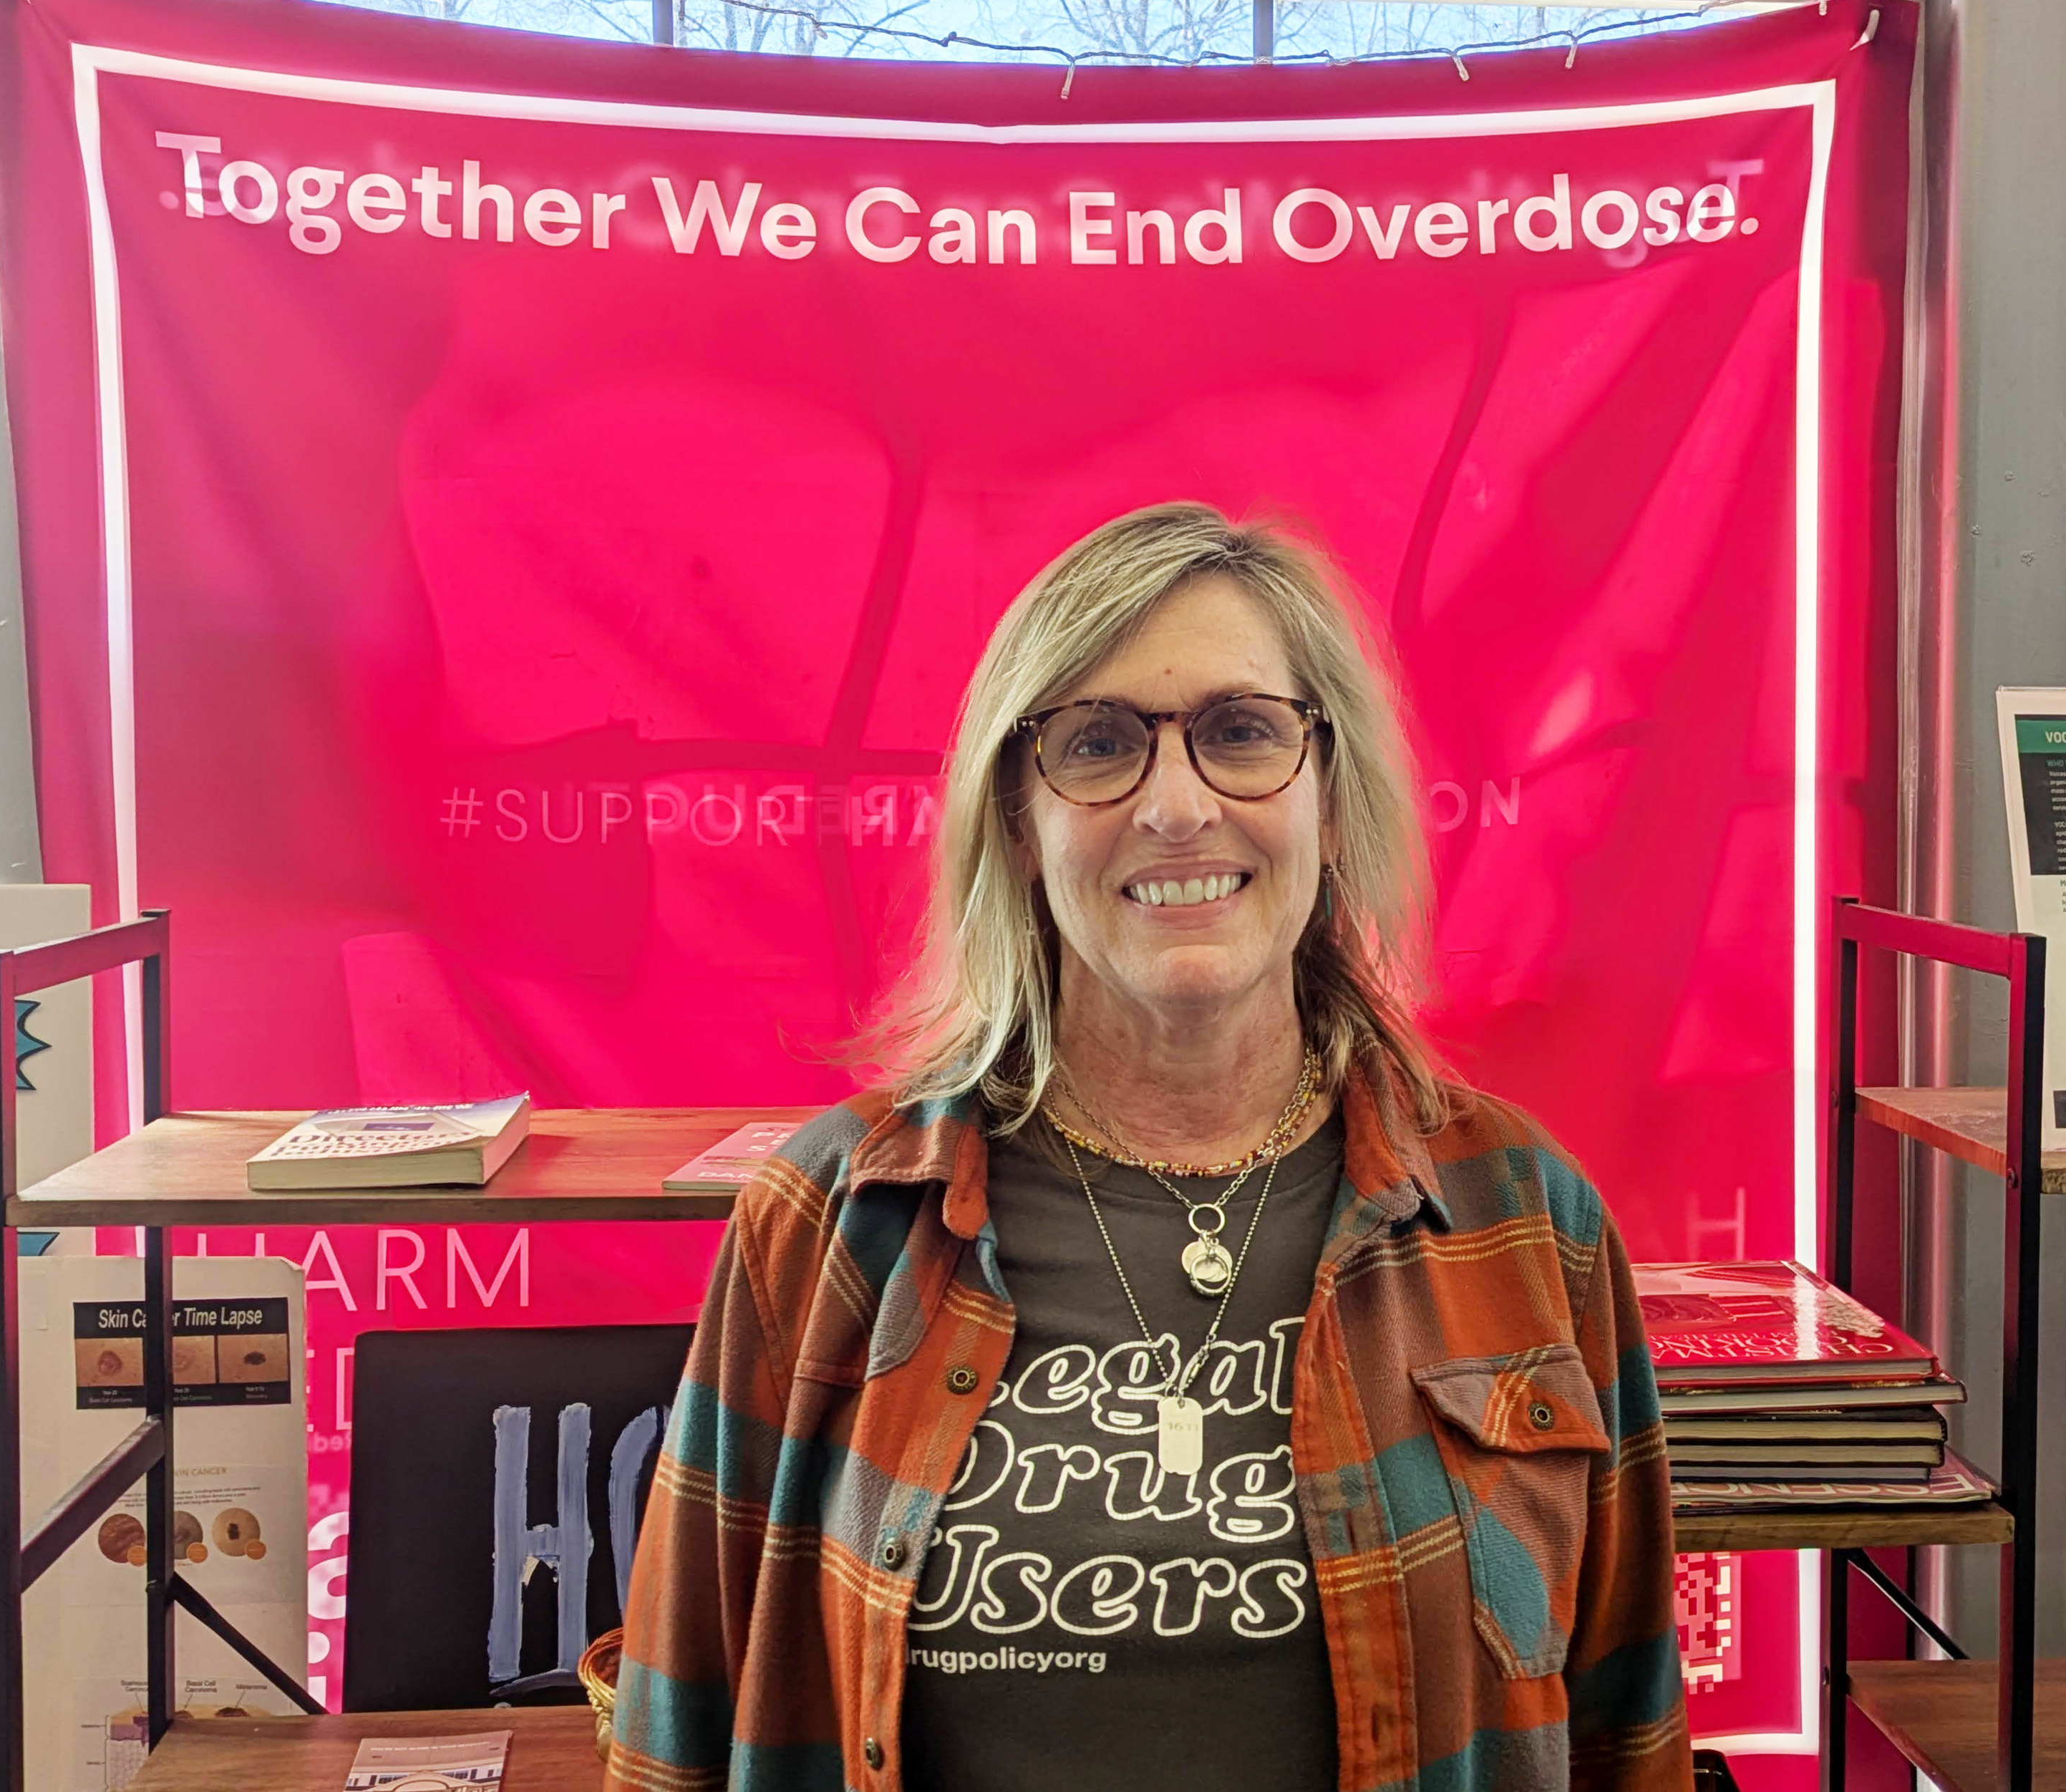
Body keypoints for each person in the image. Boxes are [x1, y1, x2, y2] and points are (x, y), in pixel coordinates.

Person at [606, 505, 1689, 1792]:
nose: (1178, 808)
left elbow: (1633, 1722)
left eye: (1242, 732)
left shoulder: (1521, 1212)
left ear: (1328, 794)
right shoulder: (831, 1223)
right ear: (1019, 818)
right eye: (1099, 744)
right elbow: (676, 1725)